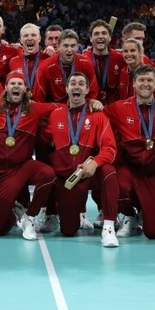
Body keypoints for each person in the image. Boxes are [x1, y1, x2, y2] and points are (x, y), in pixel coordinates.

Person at [105, 65, 155, 240]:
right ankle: (130, 216)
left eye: (149, 80)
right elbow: (96, 116)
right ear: (133, 84)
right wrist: (93, 104)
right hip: (131, 171)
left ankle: (148, 210)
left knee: (153, 232)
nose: (145, 84)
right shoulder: (119, 108)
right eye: (141, 80)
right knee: (113, 180)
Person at [44, 72, 120, 246]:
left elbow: (110, 148)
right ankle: (77, 213)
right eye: (72, 83)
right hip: (69, 177)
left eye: (81, 84)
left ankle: (109, 227)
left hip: (90, 173)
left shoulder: (98, 115)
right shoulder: (55, 115)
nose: (76, 86)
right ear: (67, 89)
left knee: (109, 172)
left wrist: (95, 162)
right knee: (68, 230)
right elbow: (45, 141)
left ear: (87, 90)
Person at [0, 71, 57, 240]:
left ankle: (29, 217)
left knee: (48, 174)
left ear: (25, 89)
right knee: (0, 230)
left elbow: (61, 108)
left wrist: (92, 102)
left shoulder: (34, 108)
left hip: (21, 168)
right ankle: (16, 213)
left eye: (20, 84)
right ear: (6, 87)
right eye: (12, 83)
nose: (16, 86)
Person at [32, 29, 98, 104]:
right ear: (59, 46)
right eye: (65, 46)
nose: (69, 50)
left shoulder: (86, 63)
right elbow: (38, 98)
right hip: (55, 110)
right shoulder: (45, 66)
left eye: (73, 46)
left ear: (77, 47)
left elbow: (93, 93)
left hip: (80, 108)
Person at [81, 19, 123, 105]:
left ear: (110, 37)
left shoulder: (120, 58)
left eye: (104, 33)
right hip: (90, 107)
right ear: (91, 39)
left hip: (113, 108)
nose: (100, 36)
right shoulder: (83, 59)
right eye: (96, 34)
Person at [8, 23, 50, 89]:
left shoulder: (47, 59)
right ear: (21, 40)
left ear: (39, 38)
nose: (30, 38)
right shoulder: (13, 61)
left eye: (33, 35)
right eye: (26, 35)